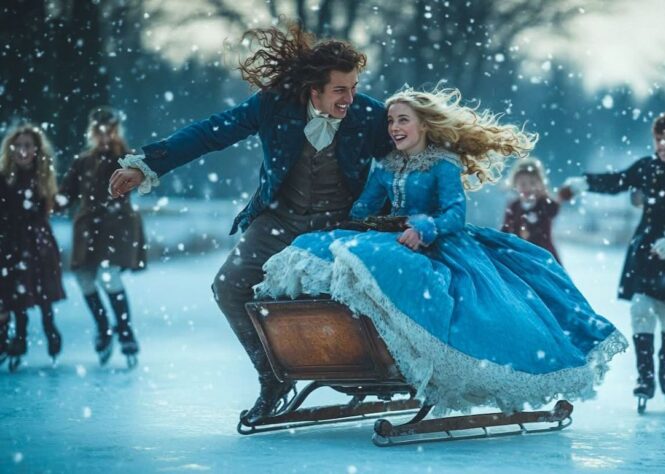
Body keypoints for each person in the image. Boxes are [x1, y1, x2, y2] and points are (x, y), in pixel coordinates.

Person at [254, 87, 627, 414]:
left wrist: (425, 227)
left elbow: (454, 213)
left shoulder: (443, 165)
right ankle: (365, 345)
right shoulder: (385, 166)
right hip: (394, 235)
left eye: (403, 120)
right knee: (321, 246)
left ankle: (428, 356)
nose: (394, 128)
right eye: (390, 122)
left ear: (425, 126)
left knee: (421, 279)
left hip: (442, 243)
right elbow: (365, 207)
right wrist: (351, 219)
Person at [107, 23, 391, 421]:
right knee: (230, 286)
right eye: (340, 90)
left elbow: (400, 165)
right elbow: (210, 134)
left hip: (340, 225)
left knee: (350, 292)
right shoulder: (273, 104)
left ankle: (369, 372)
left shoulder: (370, 115)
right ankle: (272, 376)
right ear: (314, 89)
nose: (350, 97)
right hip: (280, 217)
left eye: (355, 87)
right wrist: (147, 166)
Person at [560, 112, 665, 407]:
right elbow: (618, 180)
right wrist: (584, 183)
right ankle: (645, 377)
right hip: (647, 252)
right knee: (641, 308)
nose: (664, 145)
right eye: (659, 139)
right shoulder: (647, 167)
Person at [57, 107, 147, 367]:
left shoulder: (128, 158)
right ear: (93, 132)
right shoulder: (83, 160)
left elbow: (144, 180)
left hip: (116, 225)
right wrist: (51, 201)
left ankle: (125, 331)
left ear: (117, 130)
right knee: (84, 277)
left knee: (109, 275)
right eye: (100, 131)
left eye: (110, 130)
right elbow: (66, 193)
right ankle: (103, 327)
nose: (106, 136)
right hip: (87, 227)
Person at [0, 123, 66, 370]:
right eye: (17, 145)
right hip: (10, 239)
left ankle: (50, 330)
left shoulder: (43, 177)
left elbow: (52, 205)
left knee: (41, 290)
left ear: (37, 149)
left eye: (27, 145)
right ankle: (19, 339)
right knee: (17, 291)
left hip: (38, 240)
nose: (22, 151)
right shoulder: (4, 177)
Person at [501, 156, 562, 264]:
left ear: (540, 184)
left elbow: (554, 210)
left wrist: (553, 197)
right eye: (523, 184)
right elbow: (505, 229)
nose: (528, 188)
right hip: (520, 254)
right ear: (515, 185)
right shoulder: (514, 206)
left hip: (543, 254)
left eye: (533, 183)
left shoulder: (543, 203)